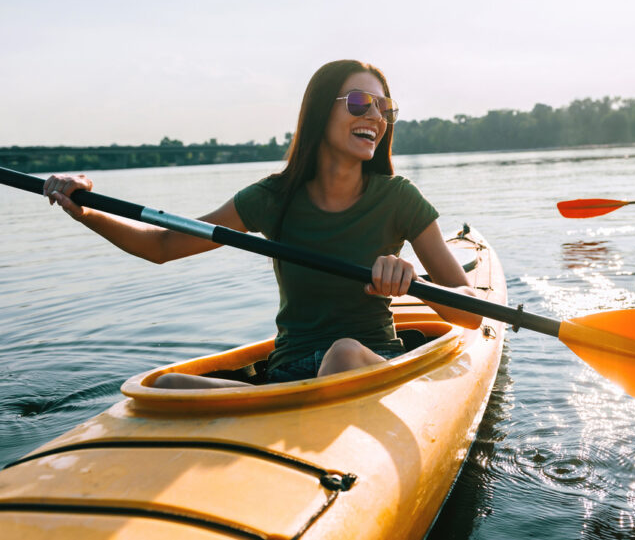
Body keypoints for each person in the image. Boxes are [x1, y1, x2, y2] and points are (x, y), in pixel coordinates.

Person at [42, 60, 482, 388]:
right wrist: (85, 209)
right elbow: (161, 245)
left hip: (367, 362)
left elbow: (469, 312)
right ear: (318, 112)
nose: (376, 117)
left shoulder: (398, 198)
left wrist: (410, 281)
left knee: (343, 353)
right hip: (287, 373)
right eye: (359, 102)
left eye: (385, 108)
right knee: (164, 384)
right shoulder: (273, 198)